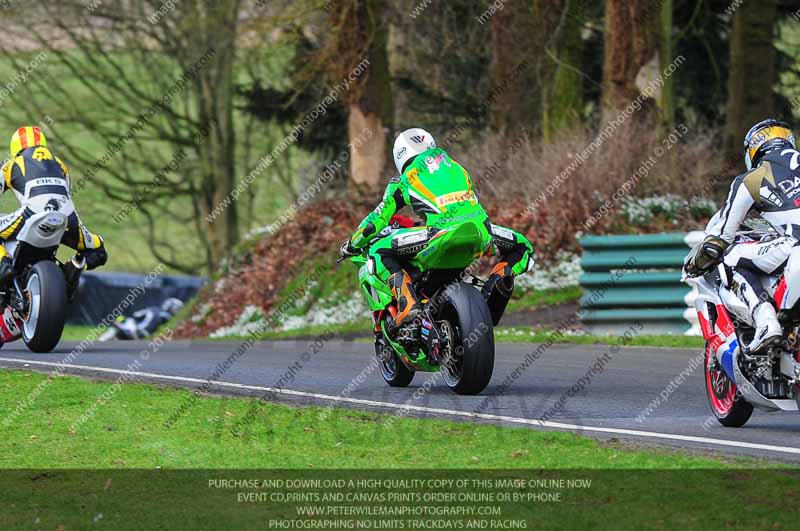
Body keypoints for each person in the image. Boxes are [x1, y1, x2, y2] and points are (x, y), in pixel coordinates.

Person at [340, 128, 534, 327]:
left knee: (378, 251)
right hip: (481, 232)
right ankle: (494, 291)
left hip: (438, 234)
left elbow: (375, 223)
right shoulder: (457, 167)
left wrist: (351, 245)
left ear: (400, 156)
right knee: (523, 247)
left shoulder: (404, 179)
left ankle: (408, 302)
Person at [687, 118, 800, 352]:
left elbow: (722, 238)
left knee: (730, 256)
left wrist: (695, 264)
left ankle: (766, 322)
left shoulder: (752, 179)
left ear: (754, 149)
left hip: (795, 242)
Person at [0, 127, 108, 298]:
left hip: (31, 214)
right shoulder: (60, 164)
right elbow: (66, 193)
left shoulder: (11, 164)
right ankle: (74, 267)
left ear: (15, 148)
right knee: (98, 250)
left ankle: (3, 266)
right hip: (66, 218)